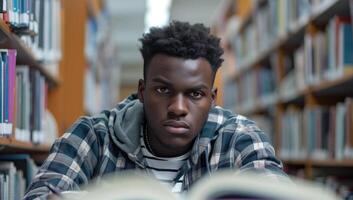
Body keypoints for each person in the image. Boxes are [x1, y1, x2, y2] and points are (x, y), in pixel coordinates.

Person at [24, 21, 285, 200]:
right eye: (162, 90)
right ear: (142, 90)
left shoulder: (240, 138)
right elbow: (41, 193)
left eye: (195, 94)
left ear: (213, 98)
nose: (178, 108)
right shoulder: (92, 136)